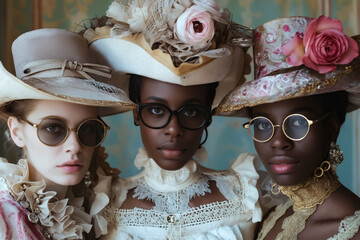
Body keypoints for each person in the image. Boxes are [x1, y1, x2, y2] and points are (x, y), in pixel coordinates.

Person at [82, 0, 274, 239]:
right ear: (136, 113)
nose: (174, 129)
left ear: (208, 114)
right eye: (156, 110)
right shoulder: (104, 202)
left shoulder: (248, 192)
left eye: (191, 112)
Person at [216, 16, 360, 239]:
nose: (278, 141)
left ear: (332, 126)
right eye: (262, 124)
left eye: (297, 122)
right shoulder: (269, 217)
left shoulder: (354, 229)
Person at [0, 28, 135, 239]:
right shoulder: (4, 219)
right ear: (17, 131)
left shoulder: (98, 214)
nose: (75, 146)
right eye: (53, 128)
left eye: (88, 129)